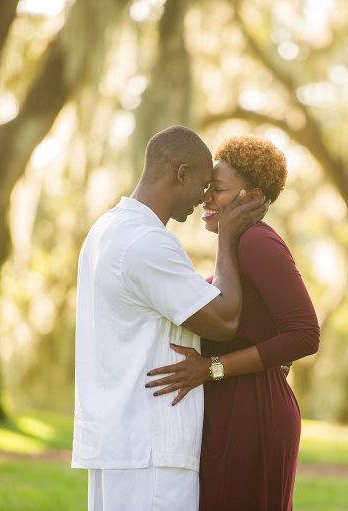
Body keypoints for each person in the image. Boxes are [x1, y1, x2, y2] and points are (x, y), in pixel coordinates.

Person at [72, 126, 268, 511]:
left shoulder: (106, 229)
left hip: (118, 441)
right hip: (151, 447)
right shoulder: (146, 242)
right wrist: (226, 238)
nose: (206, 198)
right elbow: (224, 319)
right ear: (181, 173)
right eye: (202, 184)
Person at [146, 135, 320, 510]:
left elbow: (305, 334)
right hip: (232, 409)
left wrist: (212, 369)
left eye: (219, 190)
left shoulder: (257, 242)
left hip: (253, 414)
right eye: (207, 188)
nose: (205, 199)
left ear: (252, 196)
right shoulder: (235, 247)